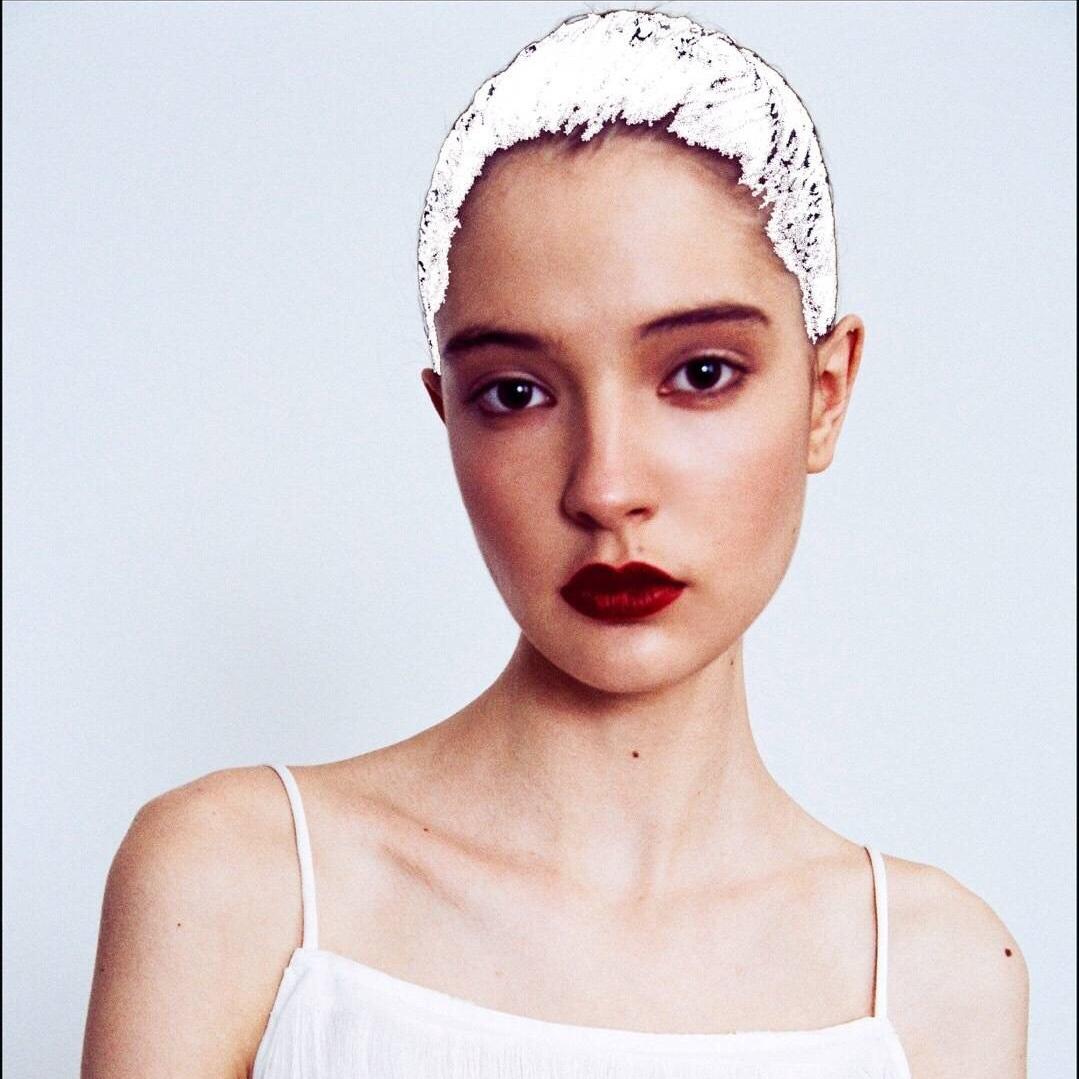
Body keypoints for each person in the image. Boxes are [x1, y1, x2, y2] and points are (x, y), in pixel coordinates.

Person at [81, 10, 1029, 1077]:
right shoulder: (237, 882)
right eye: (515, 392)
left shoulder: (933, 981)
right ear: (448, 415)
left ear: (825, 393)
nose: (604, 487)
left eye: (699, 373)